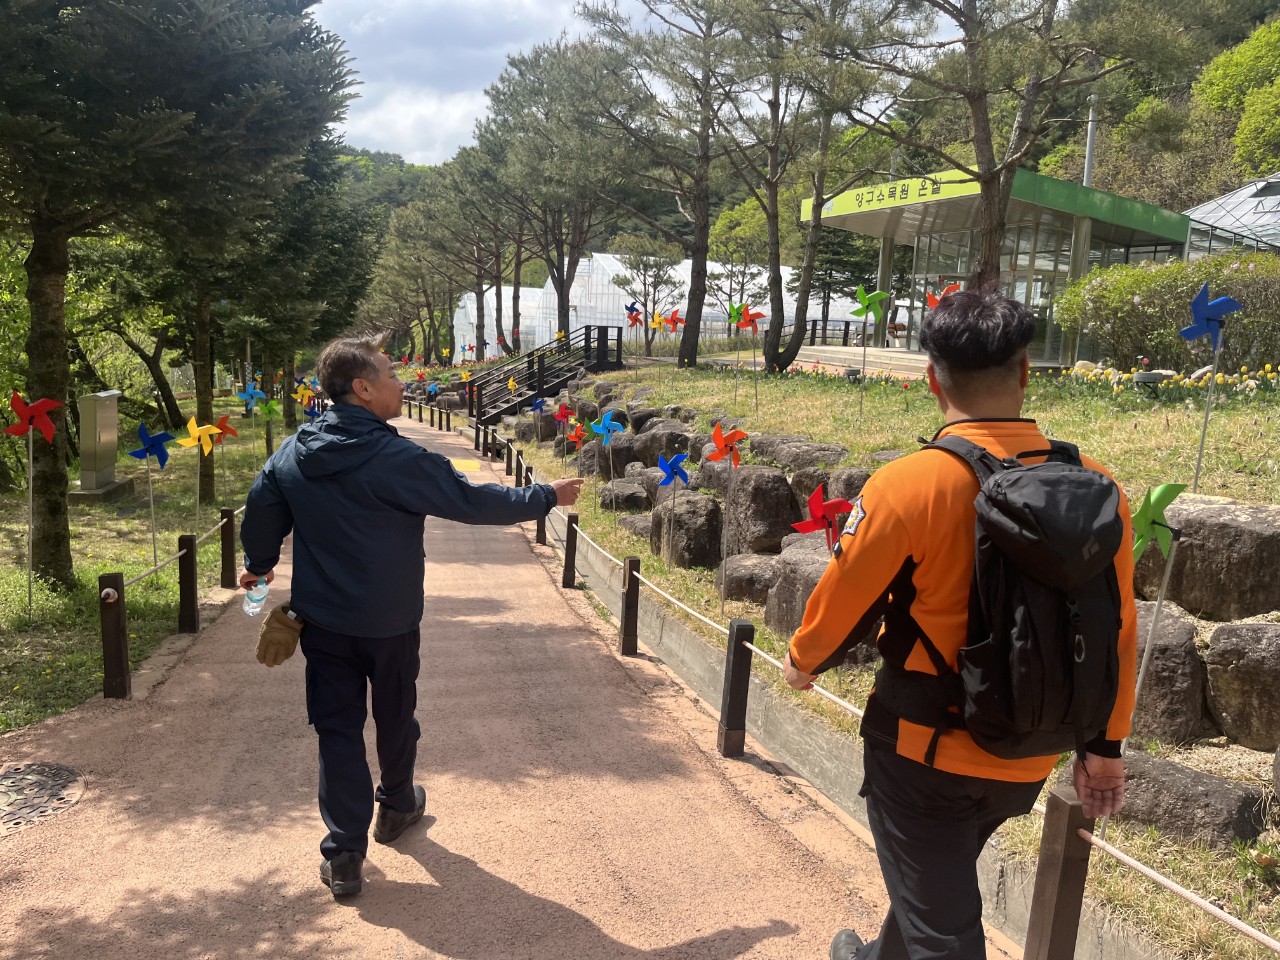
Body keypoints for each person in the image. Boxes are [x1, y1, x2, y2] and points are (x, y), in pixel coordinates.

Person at [783, 291, 1137, 960]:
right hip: (1029, 752)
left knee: (943, 932)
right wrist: (1106, 747)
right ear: (1026, 372)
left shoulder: (908, 484)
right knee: (933, 890)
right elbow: (1118, 629)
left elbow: (845, 599)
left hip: (923, 753)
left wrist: (802, 663)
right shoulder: (1099, 488)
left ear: (931, 379)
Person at [239, 335, 583, 899]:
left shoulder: (294, 450)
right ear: (362, 388)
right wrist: (545, 495)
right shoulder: (397, 458)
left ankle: (344, 853)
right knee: (396, 713)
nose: (401, 384)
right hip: (391, 619)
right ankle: (397, 804)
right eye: (391, 374)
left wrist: (258, 564)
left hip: (323, 619)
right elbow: (471, 501)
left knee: (336, 729)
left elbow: (261, 507)